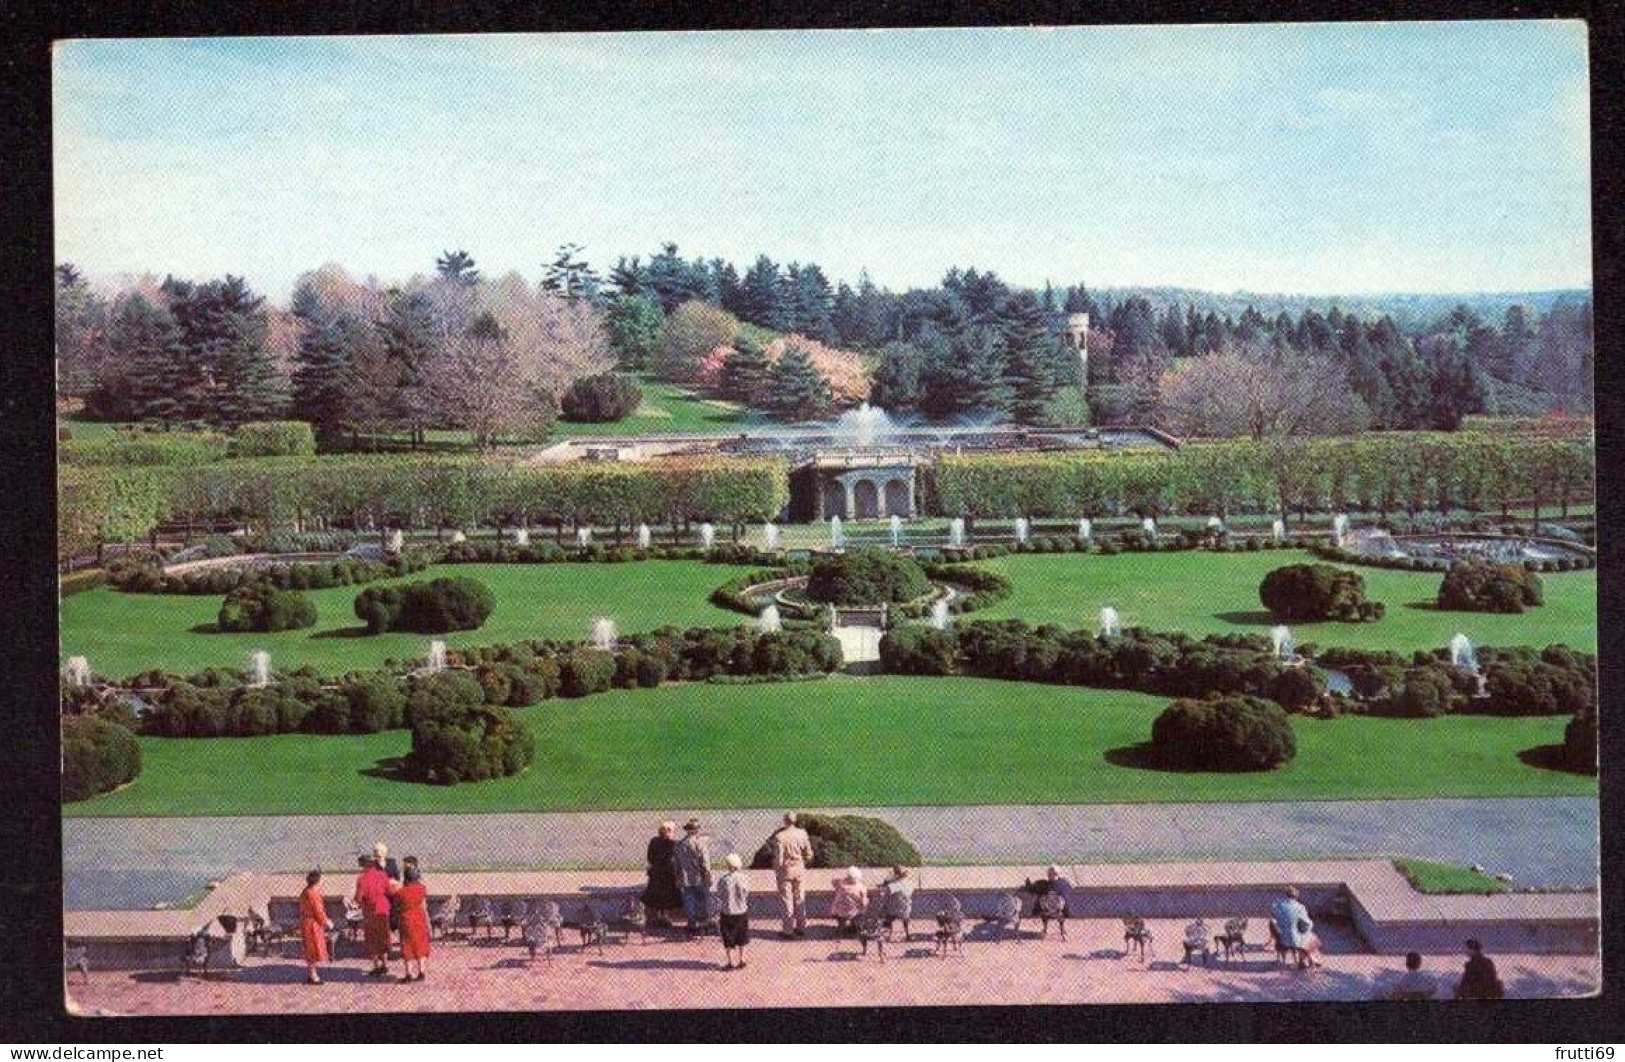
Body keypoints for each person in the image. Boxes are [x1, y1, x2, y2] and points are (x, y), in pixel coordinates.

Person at [769, 812, 814, 938]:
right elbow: (809, 854)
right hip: (799, 869)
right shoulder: (803, 833)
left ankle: (788, 930)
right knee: (800, 898)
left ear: (785, 821)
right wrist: (801, 861)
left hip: (785, 871)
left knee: (786, 901)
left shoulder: (780, 836)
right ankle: (801, 927)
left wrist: (776, 869)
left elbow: (779, 859)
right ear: (795, 820)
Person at [353, 853, 393, 978]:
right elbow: (390, 891)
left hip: (370, 910)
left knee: (372, 938)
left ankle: (376, 966)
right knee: (383, 936)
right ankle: (385, 964)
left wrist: (355, 903)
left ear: (362, 865)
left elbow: (358, 898)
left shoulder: (362, 878)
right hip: (383, 907)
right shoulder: (382, 874)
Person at [672, 818, 714, 935]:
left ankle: (692, 923)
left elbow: (676, 864)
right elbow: (705, 863)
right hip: (699, 877)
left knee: (689, 900)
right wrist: (708, 875)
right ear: (696, 831)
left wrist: (677, 877)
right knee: (704, 900)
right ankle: (704, 922)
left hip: (685, 878)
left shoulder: (679, 845)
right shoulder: (700, 844)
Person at [393, 863, 431, 983]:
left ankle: (409, 973)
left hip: (406, 919)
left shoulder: (401, 892)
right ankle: (421, 971)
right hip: (420, 918)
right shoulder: (422, 889)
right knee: (420, 944)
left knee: (407, 946)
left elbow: (396, 905)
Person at [641, 821, 683, 928]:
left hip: (655, 873)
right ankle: (664, 916)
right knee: (667, 896)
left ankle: (658, 916)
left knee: (656, 895)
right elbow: (673, 860)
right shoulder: (673, 844)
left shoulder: (654, 841)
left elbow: (650, 857)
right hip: (668, 874)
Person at [714, 853, 751, 970]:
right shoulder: (744, 878)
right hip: (741, 911)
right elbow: (746, 892)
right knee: (742, 937)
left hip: (727, 912)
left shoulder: (723, 880)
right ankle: (742, 959)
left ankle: (730, 962)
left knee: (727, 938)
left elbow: (719, 895)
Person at [298, 870, 332, 986]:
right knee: (313, 949)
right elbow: (318, 911)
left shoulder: (305, 891)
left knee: (310, 949)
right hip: (313, 924)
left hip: (306, 922)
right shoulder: (313, 893)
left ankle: (312, 973)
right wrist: (327, 922)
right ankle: (314, 976)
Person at [1269, 886, 1315, 969]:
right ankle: (1308, 960)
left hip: (1281, 937)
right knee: (1309, 936)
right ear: (1296, 896)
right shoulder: (1301, 907)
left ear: (1286, 895)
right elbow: (1308, 923)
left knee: (1281, 929)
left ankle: (1285, 960)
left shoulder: (1279, 905)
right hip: (1295, 939)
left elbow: (1273, 915)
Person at [880, 865, 915, 941]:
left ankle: (887, 934)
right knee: (900, 905)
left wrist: (887, 882)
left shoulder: (894, 885)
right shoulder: (909, 884)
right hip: (906, 910)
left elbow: (885, 893)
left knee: (886, 908)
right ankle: (907, 934)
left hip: (894, 910)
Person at [829, 867, 867, 933]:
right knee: (862, 906)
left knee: (839, 905)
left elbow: (833, 881)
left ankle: (841, 927)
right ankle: (853, 925)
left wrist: (843, 879)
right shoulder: (861, 887)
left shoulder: (841, 885)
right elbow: (864, 903)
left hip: (839, 912)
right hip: (853, 912)